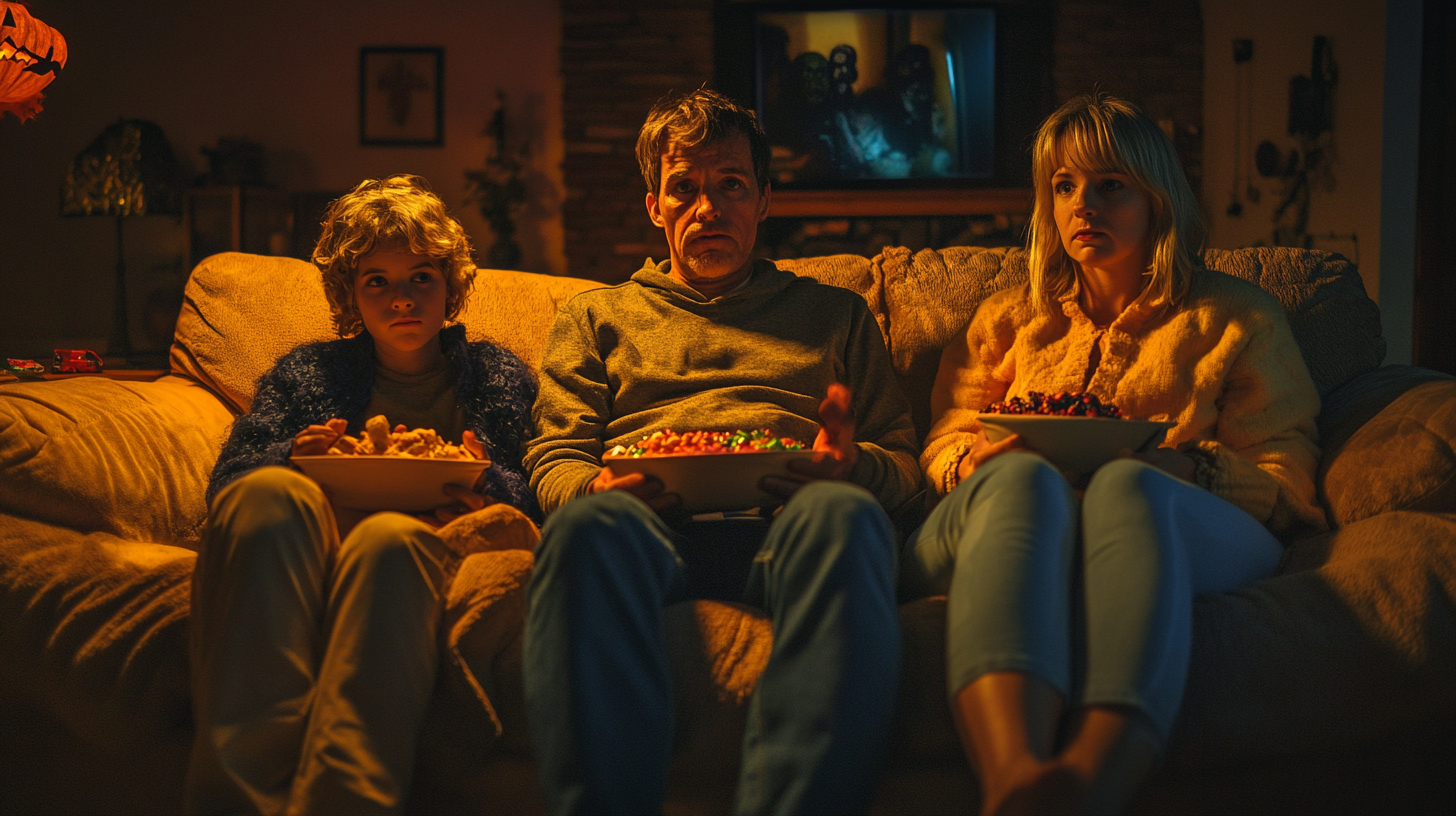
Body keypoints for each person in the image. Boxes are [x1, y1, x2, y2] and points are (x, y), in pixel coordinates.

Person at [903, 94, 1327, 815]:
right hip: (1020, 512)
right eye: (1063, 187)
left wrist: (1191, 468)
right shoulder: (1010, 319)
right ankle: (1012, 780)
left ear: (1156, 198)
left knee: (1131, 486)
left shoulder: (1236, 317)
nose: (1082, 206)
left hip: (1179, 517)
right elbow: (947, 435)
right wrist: (967, 464)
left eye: (1109, 185)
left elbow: (1287, 482)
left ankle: (1094, 777)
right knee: (1022, 482)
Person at [522, 89, 924, 816]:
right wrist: (595, 490)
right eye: (685, 188)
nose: (708, 209)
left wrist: (851, 466)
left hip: (790, 526)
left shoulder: (835, 315)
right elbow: (554, 460)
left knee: (846, 516)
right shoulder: (593, 316)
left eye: (731, 185)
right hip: (649, 531)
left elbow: (903, 466)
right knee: (582, 530)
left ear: (765, 200)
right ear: (655, 205)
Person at [186, 174, 539, 816]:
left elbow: (532, 490)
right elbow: (231, 479)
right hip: (309, 532)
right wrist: (293, 456)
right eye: (377, 280)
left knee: (388, 539)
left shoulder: (496, 376)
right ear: (350, 292)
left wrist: (488, 489)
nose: (401, 299)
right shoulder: (308, 372)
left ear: (450, 285)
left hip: (422, 540)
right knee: (267, 497)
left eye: (420, 278)